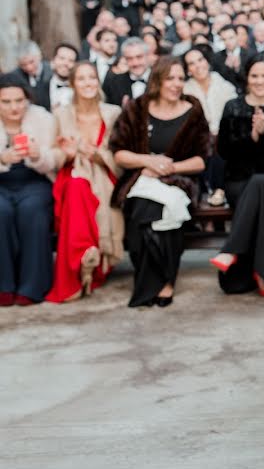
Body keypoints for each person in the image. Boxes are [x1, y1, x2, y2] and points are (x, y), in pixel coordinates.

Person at [109, 57, 210, 307]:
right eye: (170, 78)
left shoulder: (193, 109)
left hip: (180, 181)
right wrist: (148, 161)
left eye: (180, 78)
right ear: (157, 81)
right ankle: (154, 280)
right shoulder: (137, 108)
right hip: (141, 179)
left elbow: (201, 160)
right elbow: (119, 153)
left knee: (159, 210)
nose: (176, 84)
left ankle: (164, 281)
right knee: (142, 209)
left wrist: (169, 167)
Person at [209, 55, 264, 296]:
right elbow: (224, 151)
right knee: (260, 195)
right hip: (238, 182)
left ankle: (231, 250)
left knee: (262, 184)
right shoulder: (233, 106)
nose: (260, 81)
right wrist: (252, 137)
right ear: (246, 78)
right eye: (254, 75)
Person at [45, 62, 124, 302]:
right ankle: (81, 258)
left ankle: (86, 263)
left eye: (92, 77)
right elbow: (51, 155)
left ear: (98, 82)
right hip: (72, 174)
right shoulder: (60, 114)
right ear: (72, 84)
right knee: (77, 185)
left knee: (82, 188)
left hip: (104, 174)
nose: (88, 83)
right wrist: (68, 154)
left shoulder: (113, 113)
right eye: (81, 79)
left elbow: (120, 155)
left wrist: (97, 155)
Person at [0, 75, 58, 305]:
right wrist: (3, 158)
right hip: (2, 183)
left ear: (27, 99)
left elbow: (56, 157)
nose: (14, 107)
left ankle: (32, 286)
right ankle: (3, 285)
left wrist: (38, 155)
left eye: (19, 100)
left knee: (32, 211)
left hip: (36, 180)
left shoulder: (43, 118)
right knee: (0, 212)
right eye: (6, 102)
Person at [183, 46, 237, 207]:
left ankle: (219, 189)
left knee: (220, 143)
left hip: (224, 139)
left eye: (200, 60)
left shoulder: (224, 85)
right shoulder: (185, 91)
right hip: (197, 140)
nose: (198, 66)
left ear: (207, 61)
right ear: (188, 70)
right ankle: (209, 191)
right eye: (192, 63)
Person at [102, 37, 151, 107]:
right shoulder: (113, 83)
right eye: (129, 58)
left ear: (147, 56)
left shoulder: (160, 80)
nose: (135, 63)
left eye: (139, 57)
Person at [34, 43, 78, 111]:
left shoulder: (80, 87)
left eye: (71, 60)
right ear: (53, 61)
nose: (65, 63)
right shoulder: (39, 88)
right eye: (62, 58)